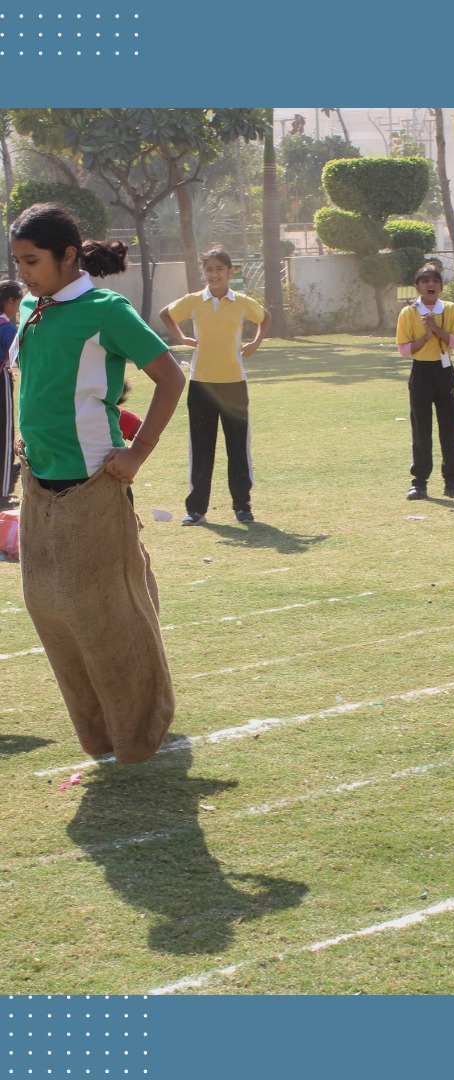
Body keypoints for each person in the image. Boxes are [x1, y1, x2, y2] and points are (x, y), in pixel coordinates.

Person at [8, 201, 185, 763]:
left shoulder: (106, 310)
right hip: (39, 481)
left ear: (67, 255)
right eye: (17, 262)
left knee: (103, 611)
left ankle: (140, 726)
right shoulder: (34, 307)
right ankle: (102, 725)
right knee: (51, 606)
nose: (23, 273)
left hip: (91, 479)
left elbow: (171, 377)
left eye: (32, 261)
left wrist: (139, 452)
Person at [160, 248, 268, 525]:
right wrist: (182, 337)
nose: (214, 274)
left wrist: (255, 343)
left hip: (234, 385)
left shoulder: (241, 302)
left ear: (230, 271)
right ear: (204, 272)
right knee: (201, 446)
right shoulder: (195, 301)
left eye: (220, 268)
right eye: (209, 269)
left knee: (237, 447)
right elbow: (166, 314)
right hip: (201, 384)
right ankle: (196, 509)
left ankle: (242, 506)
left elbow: (264, 317)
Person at [396, 263, 454, 501]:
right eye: (425, 281)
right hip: (421, 372)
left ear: (441, 286)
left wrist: (437, 329)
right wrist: (425, 337)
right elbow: (404, 350)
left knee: (449, 428)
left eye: (435, 281)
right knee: (421, 429)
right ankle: (419, 482)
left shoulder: (450, 309)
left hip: (444, 371)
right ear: (417, 286)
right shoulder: (408, 313)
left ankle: (452, 480)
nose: (431, 285)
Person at [0, 279, 23, 507]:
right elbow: (21, 358)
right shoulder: (7, 329)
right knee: (5, 436)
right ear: (10, 302)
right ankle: (3, 491)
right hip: (1, 383)